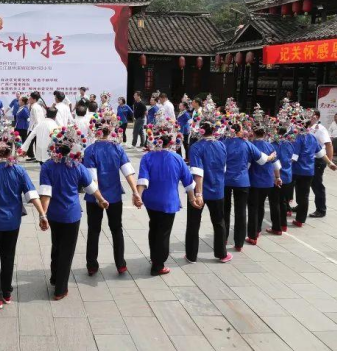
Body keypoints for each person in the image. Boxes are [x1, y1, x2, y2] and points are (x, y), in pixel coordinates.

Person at [0, 124, 48, 308]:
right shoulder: (19, 170)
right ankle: (7, 292)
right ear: (12, 149)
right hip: (13, 221)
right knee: (8, 255)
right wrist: (42, 215)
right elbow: (32, 195)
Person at [39, 126, 109, 300]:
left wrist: (43, 214)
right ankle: (60, 289)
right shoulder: (77, 166)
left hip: (54, 215)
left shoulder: (47, 166)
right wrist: (101, 199)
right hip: (71, 215)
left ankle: (55, 278)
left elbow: (46, 193)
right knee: (67, 251)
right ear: (72, 147)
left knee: (56, 245)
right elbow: (91, 187)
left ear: (55, 146)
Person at [137, 114, 195, 275]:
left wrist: (138, 196)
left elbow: (143, 179)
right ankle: (158, 265)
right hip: (168, 201)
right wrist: (193, 198)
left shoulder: (147, 157)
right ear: (171, 140)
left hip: (151, 200)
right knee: (163, 232)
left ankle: (154, 257)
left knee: (154, 227)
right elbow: (188, 181)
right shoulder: (177, 158)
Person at [83, 111, 137, 275]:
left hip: (94, 197)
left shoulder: (90, 150)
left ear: (95, 130)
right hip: (114, 196)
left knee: (94, 230)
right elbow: (128, 172)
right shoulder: (117, 148)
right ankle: (120, 264)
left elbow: (92, 178)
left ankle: (92, 265)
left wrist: (99, 198)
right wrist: (135, 192)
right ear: (111, 130)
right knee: (116, 229)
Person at [185, 97, 233, 264]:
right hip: (218, 188)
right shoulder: (221, 145)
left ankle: (191, 255)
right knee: (219, 222)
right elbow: (224, 168)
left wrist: (198, 194)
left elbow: (197, 172)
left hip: (200, 190)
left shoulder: (196, 147)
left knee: (193, 223)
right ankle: (221, 253)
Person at [223, 121, 276, 250]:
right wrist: (271, 157)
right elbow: (262, 160)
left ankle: (223, 238)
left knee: (224, 211)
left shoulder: (223, 143)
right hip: (242, 181)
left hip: (225, 180)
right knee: (241, 212)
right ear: (240, 131)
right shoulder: (246, 144)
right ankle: (239, 243)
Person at [292, 108, 337, 226]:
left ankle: (319, 209)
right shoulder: (312, 137)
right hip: (309, 169)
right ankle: (300, 219)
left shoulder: (300, 137)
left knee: (308, 190)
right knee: (304, 194)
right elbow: (320, 153)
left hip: (299, 169)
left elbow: (294, 157)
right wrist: (330, 163)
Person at [247, 124, 283, 243]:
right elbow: (276, 164)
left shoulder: (251, 146)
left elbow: (247, 165)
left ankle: (253, 235)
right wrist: (277, 177)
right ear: (265, 134)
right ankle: (258, 229)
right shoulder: (270, 146)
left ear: (253, 133)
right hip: (267, 181)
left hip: (253, 180)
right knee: (261, 205)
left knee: (253, 207)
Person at [309, 110, 334, 218]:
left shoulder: (320, 129)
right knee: (304, 184)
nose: (309, 118)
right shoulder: (305, 128)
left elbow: (329, 145)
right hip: (307, 160)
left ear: (317, 117)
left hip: (318, 159)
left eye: (311, 116)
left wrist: (329, 162)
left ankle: (321, 209)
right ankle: (301, 205)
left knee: (317, 185)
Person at [274, 125, 296, 233]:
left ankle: (277, 227)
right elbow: (294, 157)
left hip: (278, 177)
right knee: (283, 201)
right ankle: (284, 225)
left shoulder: (275, 145)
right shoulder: (290, 144)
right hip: (288, 175)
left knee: (276, 202)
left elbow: (274, 162)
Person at [26, 92, 45, 161]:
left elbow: (37, 119)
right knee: (36, 142)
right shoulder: (38, 106)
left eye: (30, 98)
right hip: (36, 127)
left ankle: (34, 156)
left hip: (35, 128)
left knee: (29, 141)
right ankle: (37, 157)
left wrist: (37, 129)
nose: (29, 99)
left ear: (34, 99)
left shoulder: (34, 107)